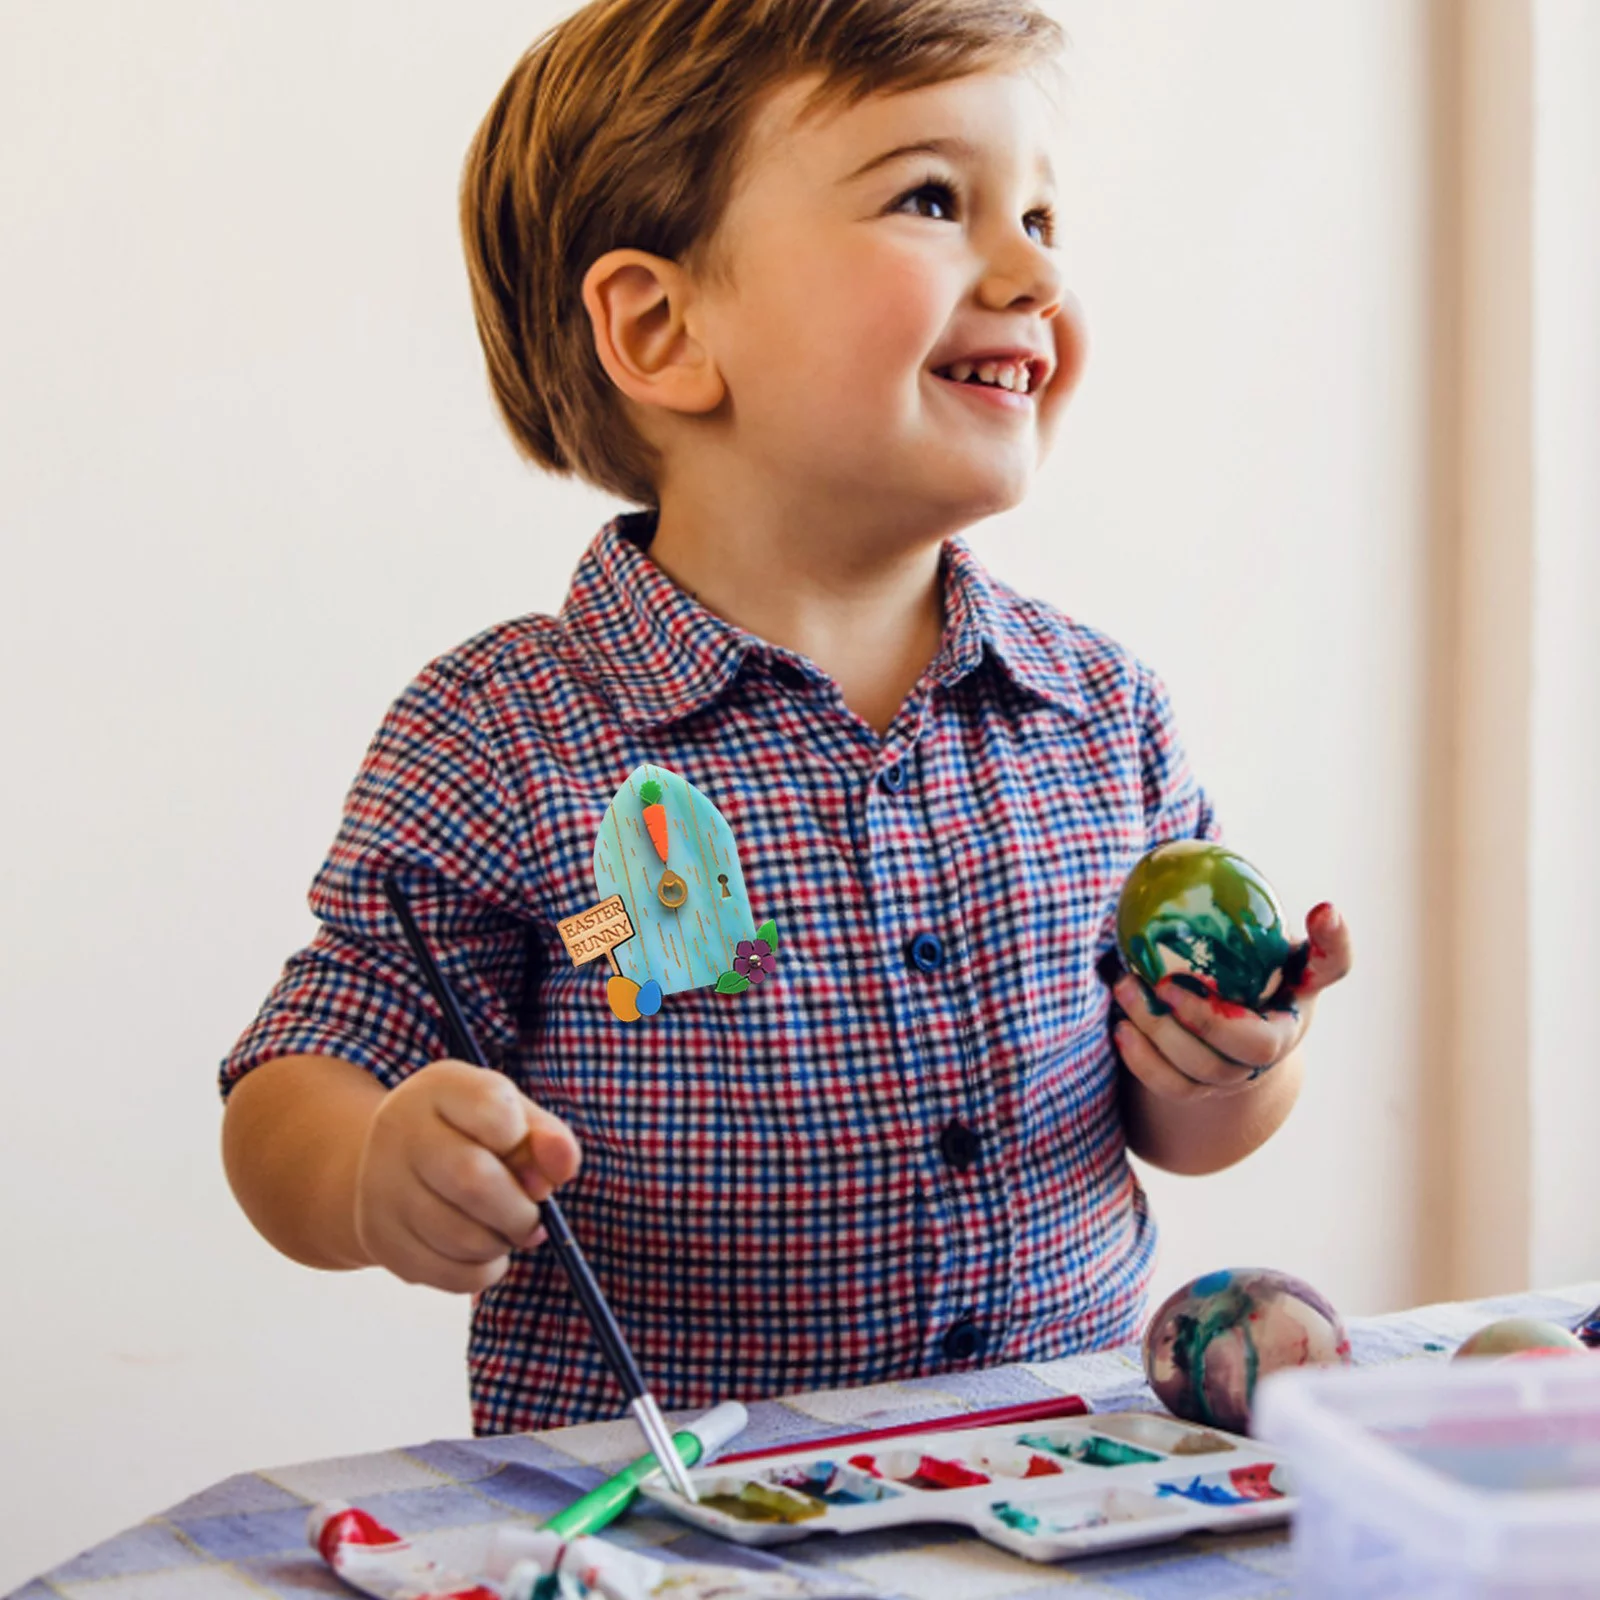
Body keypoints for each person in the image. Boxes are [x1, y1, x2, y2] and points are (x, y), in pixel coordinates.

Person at [220, 0, 1353, 1434]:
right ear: (664, 326)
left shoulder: (1101, 712)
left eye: (1046, 216)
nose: (1032, 272)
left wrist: (1245, 1064)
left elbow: (1178, 1126)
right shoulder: (505, 733)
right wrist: (374, 1166)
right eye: (935, 199)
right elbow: (296, 1077)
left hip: (1051, 1496)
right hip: (678, 1528)